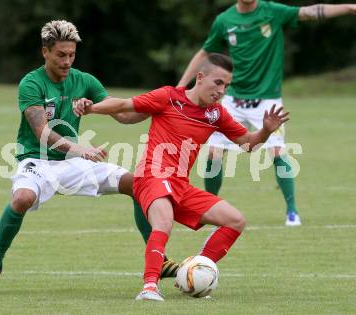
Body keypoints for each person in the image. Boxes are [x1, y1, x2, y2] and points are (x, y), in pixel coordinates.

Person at [0, 19, 177, 294]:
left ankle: (159, 260)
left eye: (71, 55)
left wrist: (160, 104)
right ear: (45, 51)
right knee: (22, 199)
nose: (67, 61)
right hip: (37, 162)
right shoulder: (31, 83)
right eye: (61, 55)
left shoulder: (85, 81)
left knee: (136, 183)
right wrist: (78, 149)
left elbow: (125, 115)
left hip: (72, 164)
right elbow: (41, 132)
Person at [74, 53, 289, 301]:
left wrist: (265, 130)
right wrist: (91, 108)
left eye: (227, 86)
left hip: (180, 184)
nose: (222, 90)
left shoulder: (216, 114)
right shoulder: (168, 96)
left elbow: (249, 145)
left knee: (235, 220)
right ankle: (149, 287)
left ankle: (194, 270)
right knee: (163, 223)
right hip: (151, 175)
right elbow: (123, 105)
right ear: (200, 77)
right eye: (218, 82)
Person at [178, 1, 356, 226]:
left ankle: (292, 211)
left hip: (268, 102)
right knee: (213, 153)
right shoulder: (225, 20)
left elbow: (310, 12)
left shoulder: (272, 12)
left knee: (277, 152)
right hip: (233, 100)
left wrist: (349, 8)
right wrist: (182, 85)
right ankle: (209, 207)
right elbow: (205, 53)